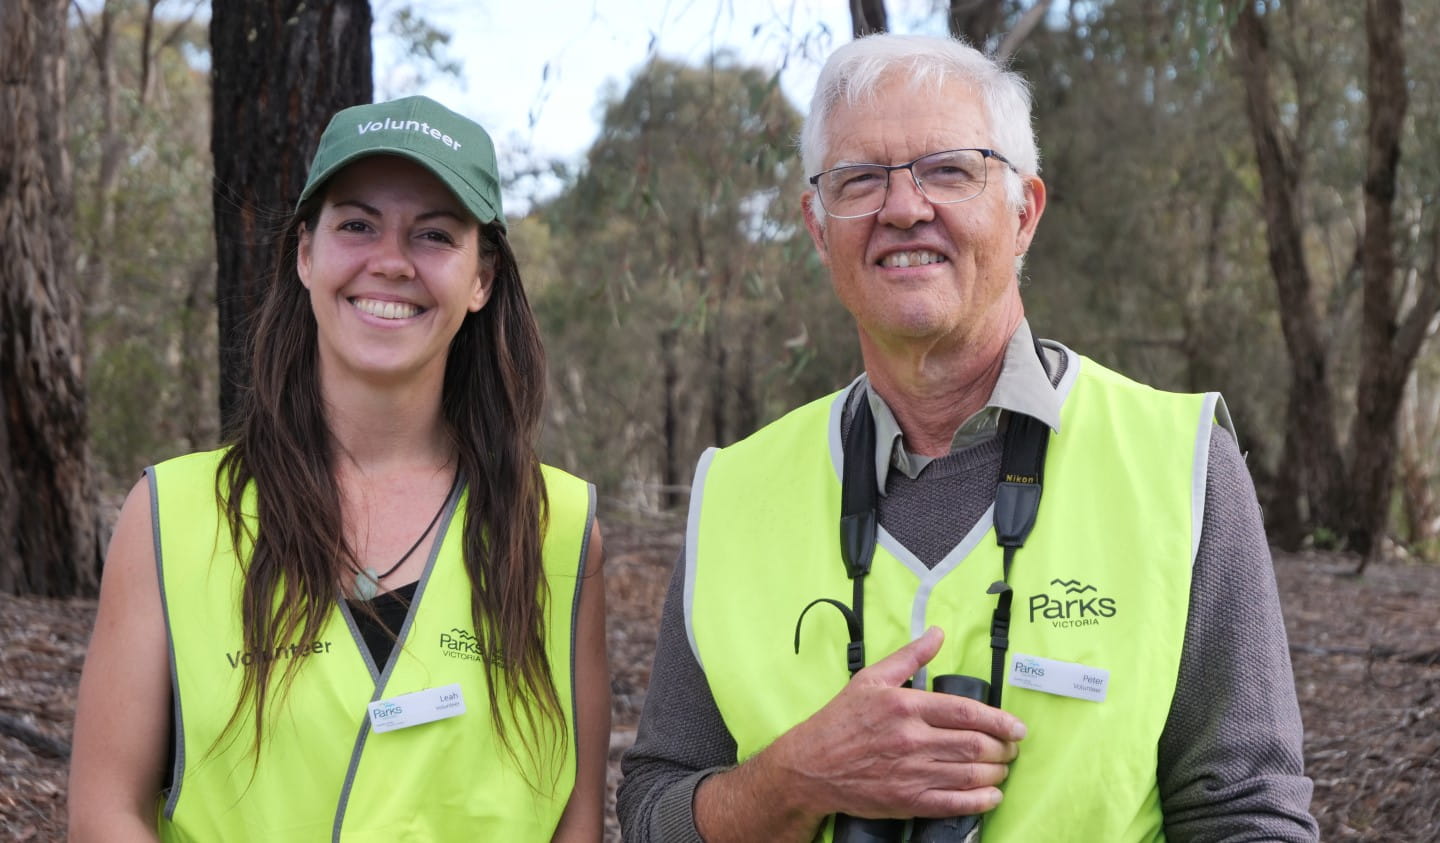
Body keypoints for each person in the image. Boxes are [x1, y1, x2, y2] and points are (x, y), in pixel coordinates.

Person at [616, 33, 1316, 843]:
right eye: (860, 179)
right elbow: (651, 812)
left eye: (950, 169)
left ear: (1025, 211)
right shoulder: (733, 493)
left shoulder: (1178, 463)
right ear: (817, 226)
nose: (904, 207)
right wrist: (796, 778)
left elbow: (1248, 818)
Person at [68, 95, 609, 841]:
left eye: (433, 234)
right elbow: (106, 810)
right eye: (356, 224)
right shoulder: (169, 516)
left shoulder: (559, 528)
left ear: (481, 278)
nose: (389, 261)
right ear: (305, 253)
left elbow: (574, 821)